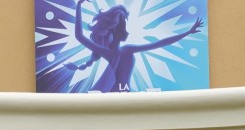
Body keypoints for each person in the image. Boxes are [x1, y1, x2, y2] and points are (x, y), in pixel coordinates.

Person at [67, 0, 203, 93]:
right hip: (117, 95)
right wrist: (78, 5)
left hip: (122, 94)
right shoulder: (118, 51)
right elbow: (79, 36)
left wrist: (187, 32)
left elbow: (160, 43)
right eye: (121, 25)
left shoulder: (121, 51)